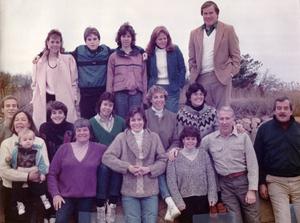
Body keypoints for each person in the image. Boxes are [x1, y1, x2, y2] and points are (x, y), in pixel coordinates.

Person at [33, 27, 146, 119]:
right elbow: (60, 52)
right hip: (86, 94)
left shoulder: (106, 51)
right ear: (85, 41)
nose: (92, 42)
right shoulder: (79, 52)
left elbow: (124, 49)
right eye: (89, 39)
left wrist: (142, 50)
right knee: (87, 120)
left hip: (101, 92)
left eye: (95, 39)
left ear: (99, 40)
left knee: (103, 118)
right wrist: (40, 54)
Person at [102, 106, 167, 223]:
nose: (136, 123)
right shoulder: (121, 138)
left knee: (151, 221)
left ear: (144, 121)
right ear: (128, 121)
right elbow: (107, 157)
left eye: (139, 119)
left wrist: (149, 169)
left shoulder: (154, 137)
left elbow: (163, 160)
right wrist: (127, 167)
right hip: (129, 191)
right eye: (133, 120)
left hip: (150, 190)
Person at [200, 106, 260, 223]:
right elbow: (198, 156)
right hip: (225, 186)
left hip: (244, 182)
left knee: (253, 219)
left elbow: (253, 164)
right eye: (221, 119)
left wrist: (252, 189)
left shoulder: (243, 137)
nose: (224, 122)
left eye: (227, 118)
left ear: (233, 119)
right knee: (234, 220)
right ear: (217, 121)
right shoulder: (209, 140)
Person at [47, 118, 107, 223]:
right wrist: (55, 194)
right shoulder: (63, 149)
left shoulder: (100, 149)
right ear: (74, 133)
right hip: (65, 197)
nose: (82, 133)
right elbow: (52, 174)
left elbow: (115, 156)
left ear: (90, 133)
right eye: (79, 130)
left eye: (85, 130)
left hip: (86, 198)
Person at [254, 96, 300, 222]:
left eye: (286, 108)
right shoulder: (264, 129)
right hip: (276, 182)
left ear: (291, 111)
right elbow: (257, 158)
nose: (282, 111)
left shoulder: (299, 129)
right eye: (279, 108)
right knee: (283, 219)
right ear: (274, 111)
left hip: (298, 181)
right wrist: (261, 182)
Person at [188, 1, 241, 110]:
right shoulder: (194, 33)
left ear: (217, 13)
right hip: (201, 78)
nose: (208, 16)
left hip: (221, 77)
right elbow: (192, 58)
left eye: (211, 13)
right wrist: (193, 73)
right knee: (205, 113)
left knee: (223, 111)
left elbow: (236, 55)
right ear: (202, 15)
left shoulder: (228, 29)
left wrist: (230, 73)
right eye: (205, 13)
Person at [0, 109, 50, 222]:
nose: (19, 122)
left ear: (29, 123)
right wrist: (27, 176)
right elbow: (3, 170)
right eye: (16, 120)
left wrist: (22, 172)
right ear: (13, 124)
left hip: (34, 191)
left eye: (23, 119)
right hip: (12, 191)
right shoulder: (6, 143)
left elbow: (45, 166)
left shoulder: (39, 142)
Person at [167, 126, 217, 223]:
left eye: (193, 139)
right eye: (188, 139)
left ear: (197, 140)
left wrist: (212, 196)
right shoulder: (175, 157)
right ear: (183, 140)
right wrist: (178, 201)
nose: (190, 141)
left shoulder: (203, 155)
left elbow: (210, 176)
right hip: (184, 201)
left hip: (203, 199)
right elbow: (171, 181)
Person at [145, 85, 181, 221]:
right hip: (150, 156)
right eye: (155, 97)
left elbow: (176, 139)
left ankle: (172, 203)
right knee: (158, 167)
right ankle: (170, 203)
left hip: (168, 154)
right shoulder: (144, 115)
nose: (159, 100)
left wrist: (172, 149)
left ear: (165, 99)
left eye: (161, 97)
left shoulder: (173, 116)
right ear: (150, 99)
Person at [89, 92, 126, 222]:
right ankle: (100, 204)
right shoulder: (91, 122)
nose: (107, 108)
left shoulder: (120, 121)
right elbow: (90, 144)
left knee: (116, 166)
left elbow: (126, 140)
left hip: (117, 158)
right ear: (99, 105)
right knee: (104, 168)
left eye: (110, 105)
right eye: (105, 104)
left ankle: (112, 203)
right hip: (100, 159)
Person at [31, 29, 78, 130]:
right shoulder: (39, 62)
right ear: (47, 43)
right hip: (46, 99)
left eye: (57, 42)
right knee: (46, 128)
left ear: (61, 44)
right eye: (52, 42)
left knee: (65, 127)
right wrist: (34, 98)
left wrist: (74, 97)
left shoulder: (68, 60)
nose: (55, 45)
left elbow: (74, 82)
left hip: (63, 98)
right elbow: (34, 84)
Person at [5, 128, 51, 215]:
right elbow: (10, 159)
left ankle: (44, 199)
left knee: (37, 185)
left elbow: (41, 163)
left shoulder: (37, 151)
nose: (28, 141)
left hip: (32, 170)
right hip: (21, 170)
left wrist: (42, 173)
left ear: (33, 140)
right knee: (16, 186)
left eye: (30, 139)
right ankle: (20, 204)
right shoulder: (16, 150)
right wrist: (8, 159)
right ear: (20, 141)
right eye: (25, 140)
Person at [106, 22, 147, 119]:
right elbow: (110, 77)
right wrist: (108, 97)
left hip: (136, 94)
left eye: (128, 36)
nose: (126, 39)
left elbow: (144, 77)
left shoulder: (140, 56)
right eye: (123, 36)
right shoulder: (113, 57)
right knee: (121, 120)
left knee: (135, 119)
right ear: (119, 38)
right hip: (120, 94)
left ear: (132, 38)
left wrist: (145, 98)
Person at [146, 26, 186, 113]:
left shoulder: (175, 50)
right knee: (156, 117)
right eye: (160, 39)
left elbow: (182, 68)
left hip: (172, 88)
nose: (163, 41)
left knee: (171, 116)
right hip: (155, 88)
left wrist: (179, 85)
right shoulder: (149, 53)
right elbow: (147, 73)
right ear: (154, 40)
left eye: (165, 38)